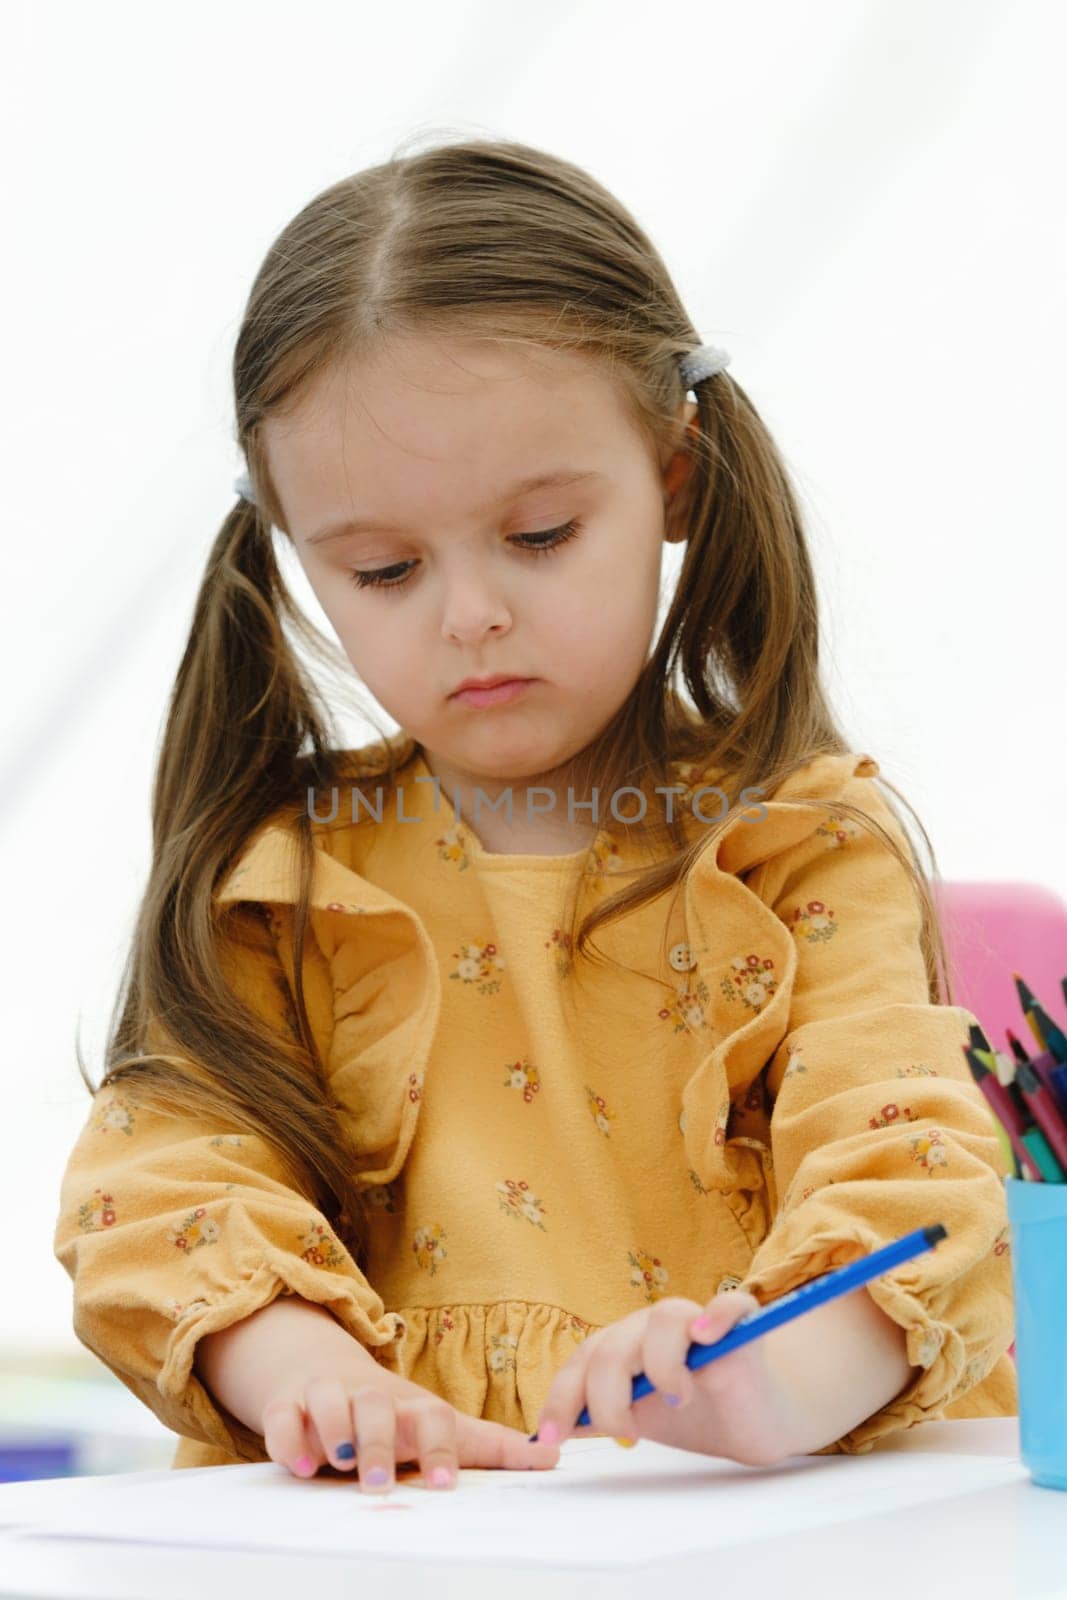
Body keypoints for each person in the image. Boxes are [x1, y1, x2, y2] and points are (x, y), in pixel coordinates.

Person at [53, 135, 1017, 1496]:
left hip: (773, 1534)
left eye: (542, 535)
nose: (471, 616)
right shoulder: (281, 879)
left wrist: (771, 1390)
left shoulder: (802, 846)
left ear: (674, 477)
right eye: (383, 569)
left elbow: (918, 1186)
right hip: (413, 1548)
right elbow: (152, 1194)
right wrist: (307, 1375)